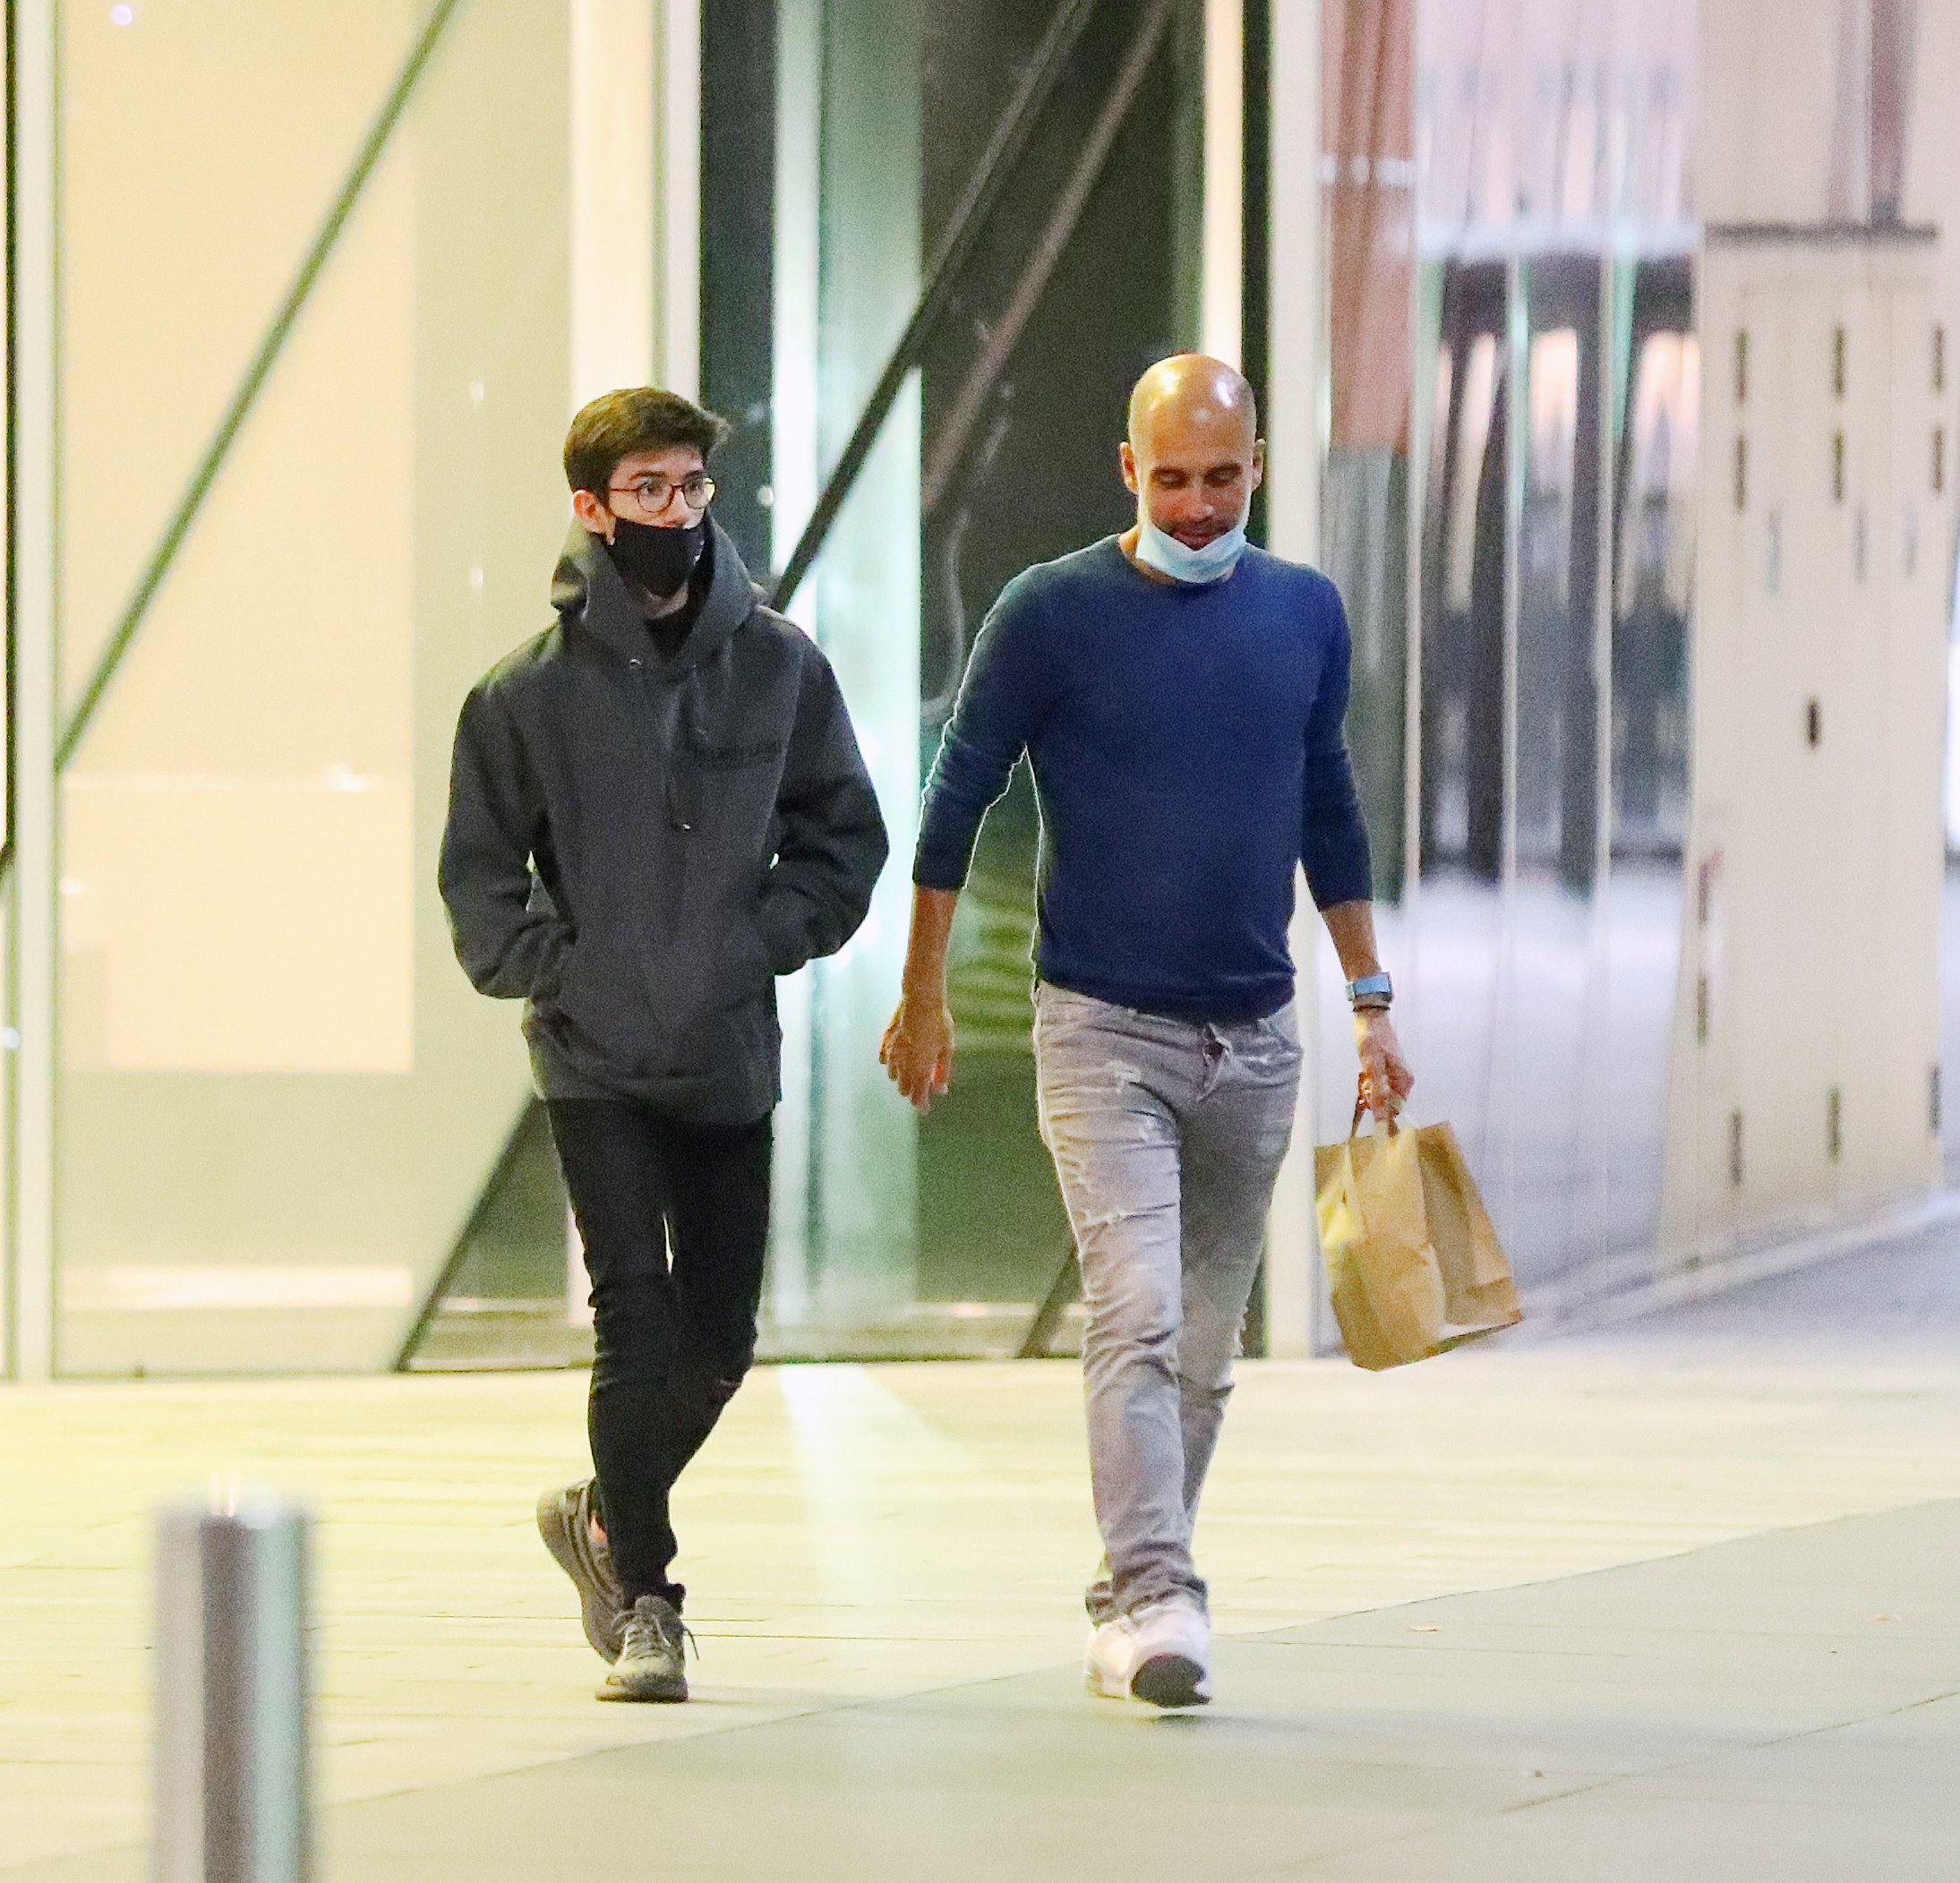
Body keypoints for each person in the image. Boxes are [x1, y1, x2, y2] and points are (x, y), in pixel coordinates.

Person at [881, 354, 1413, 1709]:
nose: (1193, 505)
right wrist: (922, 988)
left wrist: (1367, 1002)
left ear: (1256, 472)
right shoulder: (1049, 612)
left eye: (1219, 479)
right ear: (1128, 468)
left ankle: (1133, 1572)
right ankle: (1160, 1593)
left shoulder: (1303, 612)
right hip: (1100, 1026)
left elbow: (1328, 808)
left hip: (1257, 1037)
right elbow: (955, 797)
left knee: (1205, 1347)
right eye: (1169, 478)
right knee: (1137, 1307)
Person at [441, 387, 888, 1702]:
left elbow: (841, 840)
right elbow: (480, 883)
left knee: (720, 1343)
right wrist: (557, 973)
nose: (678, 513)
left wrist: (762, 941)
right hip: (590, 1058)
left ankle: (598, 1509)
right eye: (648, 491)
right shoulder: (521, 696)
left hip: (726, 1051)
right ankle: (646, 1596)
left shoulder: (784, 667)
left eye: (692, 488)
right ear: (590, 509)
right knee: (632, 1320)